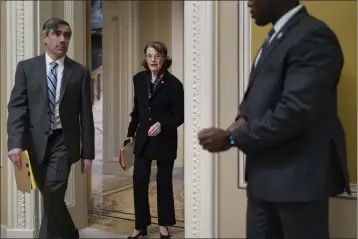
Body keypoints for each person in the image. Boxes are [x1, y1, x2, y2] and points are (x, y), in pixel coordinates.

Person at [197, 0, 350, 238]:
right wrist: (241, 119)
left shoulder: (313, 36)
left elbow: (294, 113)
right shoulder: (275, 36)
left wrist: (232, 138)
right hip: (263, 179)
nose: (248, 2)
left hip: (297, 182)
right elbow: (259, 96)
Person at [7, 18, 94, 239]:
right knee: (50, 195)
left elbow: (86, 115)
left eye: (67, 35)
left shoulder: (80, 71)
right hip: (34, 144)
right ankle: (70, 233)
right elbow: (17, 107)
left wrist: (88, 153)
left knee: (54, 190)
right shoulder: (26, 68)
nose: (63, 39)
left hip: (64, 142)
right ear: (45, 37)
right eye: (57, 33)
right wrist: (15, 144)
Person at [125, 41, 184, 239]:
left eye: (157, 56)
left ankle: (164, 224)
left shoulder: (175, 84)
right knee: (139, 180)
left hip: (165, 140)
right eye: (149, 55)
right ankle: (140, 225)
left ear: (164, 58)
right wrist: (129, 134)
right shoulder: (138, 79)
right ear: (145, 57)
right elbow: (137, 111)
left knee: (164, 182)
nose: (153, 60)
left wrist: (162, 125)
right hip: (143, 139)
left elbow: (179, 115)